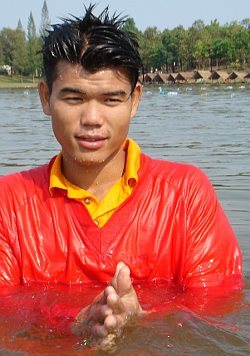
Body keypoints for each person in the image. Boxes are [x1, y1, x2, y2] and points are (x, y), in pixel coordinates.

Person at [0, 3, 243, 345]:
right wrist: (73, 322)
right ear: (45, 97)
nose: (92, 119)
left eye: (112, 100)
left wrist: (143, 320)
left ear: (135, 100)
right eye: (73, 98)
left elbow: (223, 304)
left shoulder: (186, 194)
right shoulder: (8, 204)